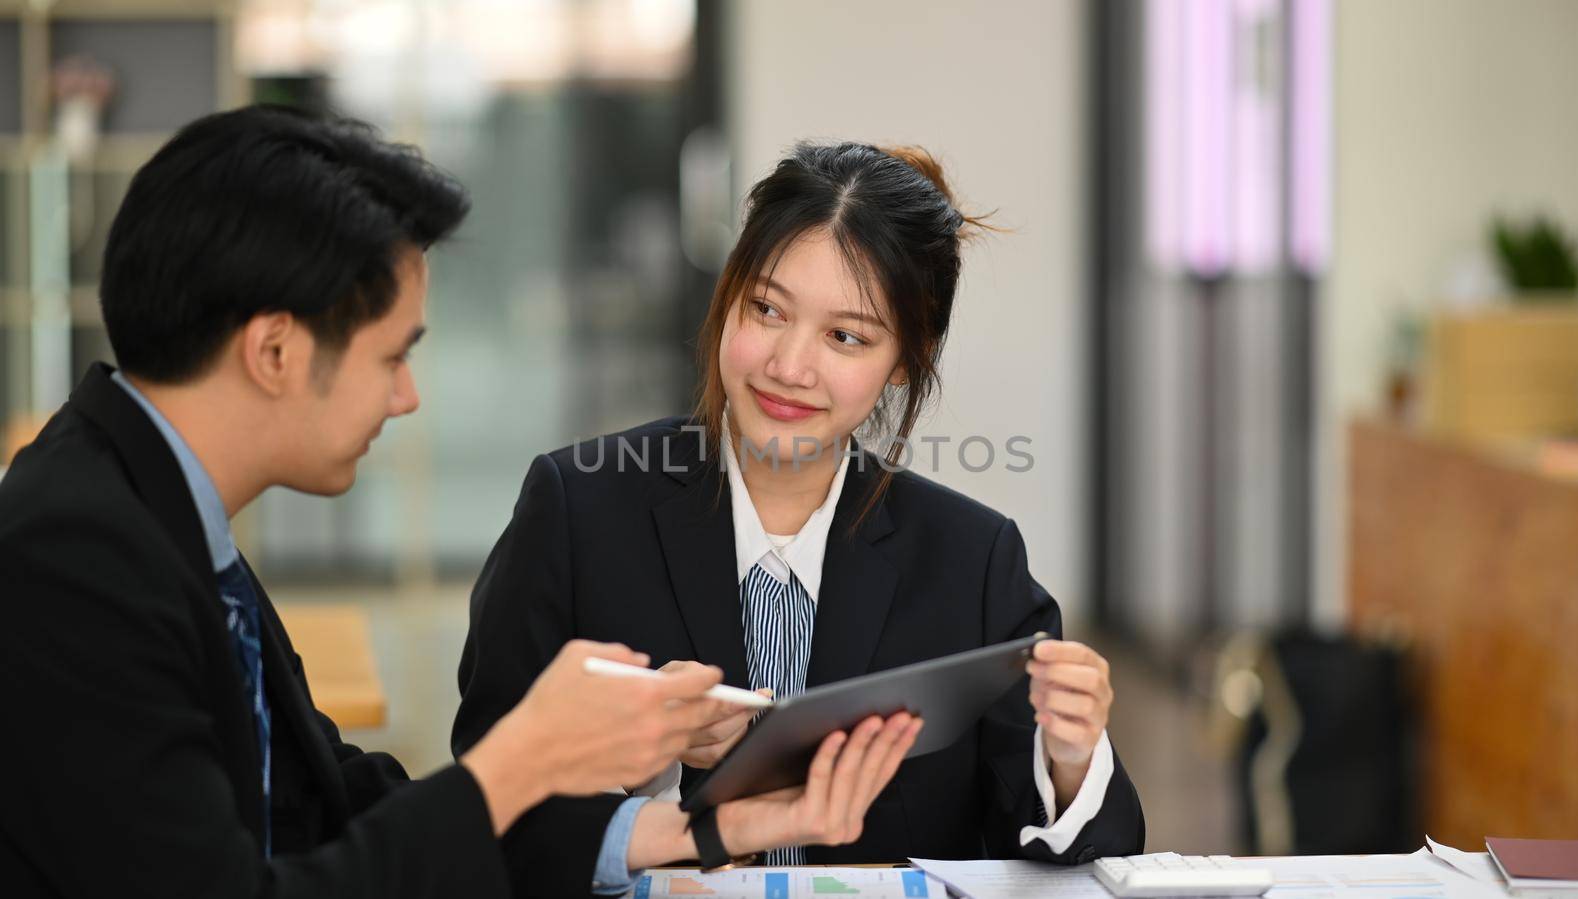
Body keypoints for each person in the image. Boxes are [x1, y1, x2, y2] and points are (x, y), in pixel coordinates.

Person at [0, 107, 917, 899]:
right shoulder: (75, 557)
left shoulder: (151, 510)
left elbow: (332, 805)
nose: (407, 397)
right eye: (393, 356)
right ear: (275, 352)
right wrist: (527, 755)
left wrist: (687, 830)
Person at [454, 141, 1145, 872]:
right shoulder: (578, 512)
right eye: (766, 308)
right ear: (728, 296)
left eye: (845, 336)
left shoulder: (972, 561)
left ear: (906, 359)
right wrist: (641, 767)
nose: (789, 366)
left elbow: (1082, 849)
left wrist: (1069, 760)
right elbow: (482, 798)